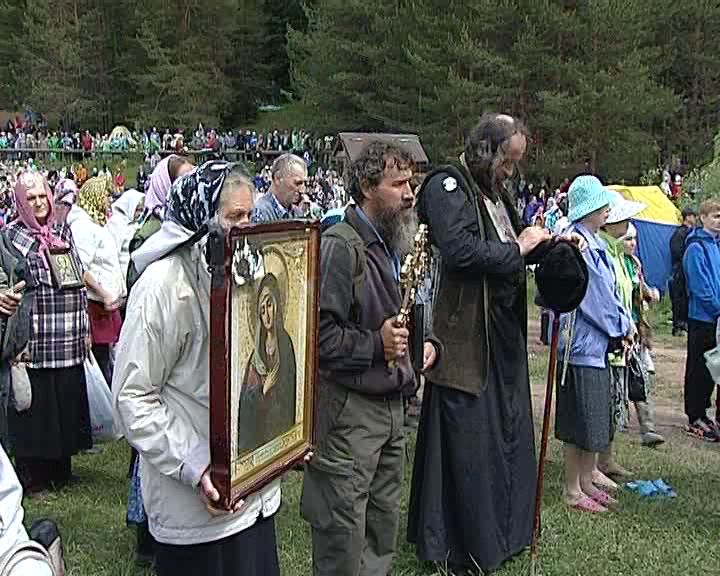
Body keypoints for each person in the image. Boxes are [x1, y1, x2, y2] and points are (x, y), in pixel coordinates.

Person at [114, 162, 284, 576]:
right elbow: (131, 397)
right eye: (233, 217)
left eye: (249, 215)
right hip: (195, 506)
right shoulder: (161, 288)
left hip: (254, 493)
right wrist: (195, 464)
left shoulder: (247, 273)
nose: (245, 227)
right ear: (198, 221)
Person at [407, 114, 554, 575]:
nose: (511, 171)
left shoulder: (495, 194)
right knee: (466, 441)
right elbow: (460, 251)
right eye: (506, 161)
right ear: (486, 151)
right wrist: (519, 249)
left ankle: (501, 532)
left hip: (500, 338)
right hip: (464, 337)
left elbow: (512, 247)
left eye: (514, 163)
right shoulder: (447, 186)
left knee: (501, 434)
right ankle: (457, 543)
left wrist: (548, 246)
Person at [301, 142, 438, 576]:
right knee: (343, 537)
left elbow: (399, 312)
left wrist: (425, 343)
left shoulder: (392, 241)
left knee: (380, 532)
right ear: (366, 186)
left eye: (411, 182)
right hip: (349, 417)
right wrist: (376, 346)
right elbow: (318, 340)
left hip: (392, 409)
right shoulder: (341, 247)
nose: (410, 193)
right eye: (398, 183)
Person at [6, 172, 92, 494]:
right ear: (21, 202)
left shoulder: (61, 229)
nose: (40, 202)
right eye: (32, 198)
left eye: (43, 195)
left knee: (64, 401)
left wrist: (85, 326)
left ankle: (61, 468)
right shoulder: (11, 237)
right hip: (35, 338)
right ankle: (33, 473)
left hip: (67, 334)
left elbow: (77, 278)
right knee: (37, 409)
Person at [556, 176, 633, 513]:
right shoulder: (577, 247)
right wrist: (619, 326)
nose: (608, 212)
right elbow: (592, 298)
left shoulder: (595, 243)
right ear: (589, 209)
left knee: (592, 417)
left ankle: (586, 479)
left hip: (596, 344)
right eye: (603, 206)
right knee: (579, 419)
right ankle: (572, 488)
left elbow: (610, 292)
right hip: (581, 343)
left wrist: (624, 323)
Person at [596, 191, 646, 481]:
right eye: (622, 217)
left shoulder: (619, 254)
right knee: (605, 398)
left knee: (616, 397)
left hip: (623, 337)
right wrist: (620, 327)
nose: (627, 223)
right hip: (609, 338)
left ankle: (607, 457)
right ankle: (597, 463)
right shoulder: (603, 251)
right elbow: (606, 298)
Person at [67, 177, 125, 385]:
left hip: (104, 305)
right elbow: (79, 268)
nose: (110, 200)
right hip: (95, 306)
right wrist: (104, 293)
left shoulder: (94, 224)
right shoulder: (83, 227)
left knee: (108, 362)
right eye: (107, 195)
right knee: (100, 367)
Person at [237, 273, 297, 456]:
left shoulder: (285, 346)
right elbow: (244, 406)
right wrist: (263, 390)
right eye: (262, 310)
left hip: (279, 435)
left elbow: (291, 393)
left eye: (269, 305)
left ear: (278, 305)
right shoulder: (256, 357)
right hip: (259, 437)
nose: (267, 314)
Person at [621, 223, 665, 446]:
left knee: (640, 377)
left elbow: (641, 288)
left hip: (637, 329)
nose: (633, 243)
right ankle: (618, 424)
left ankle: (648, 428)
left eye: (634, 239)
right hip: (619, 331)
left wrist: (650, 293)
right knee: (620, 381)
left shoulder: (634, 263)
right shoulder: (615, 263)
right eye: (628, 239)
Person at [682, 199, 720, 442]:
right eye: (716, 216)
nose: (719, 221)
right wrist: (717, 308)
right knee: (697, 366)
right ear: (703, 217)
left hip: (716, 319)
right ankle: (694, 414)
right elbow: (700, 287)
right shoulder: (695, 248)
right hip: (702, 318)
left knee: (711, 369)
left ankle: (704, 411)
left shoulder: (715, 245)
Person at [105, 189, 145, 288]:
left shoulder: (135, 224)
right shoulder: (117, 223)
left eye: (141, 210)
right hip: (122, 274)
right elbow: (114, 253)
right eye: (137, 210)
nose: (139, 214)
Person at [251, 153, 306, 222]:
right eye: (297, 183)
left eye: (304, 183)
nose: (302, 190)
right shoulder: (260, 212)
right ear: (278, 178)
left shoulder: (297, 212)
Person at [669, 207, 697, 336]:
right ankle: (678, 325)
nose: (695, 219)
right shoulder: (679, 233)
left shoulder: (692, 232)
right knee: (679, 297)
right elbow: (676, 251)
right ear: (688, 217)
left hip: (688, 271)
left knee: (686, 298)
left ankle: (685, 323)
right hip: (680, 271)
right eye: (693, 216)